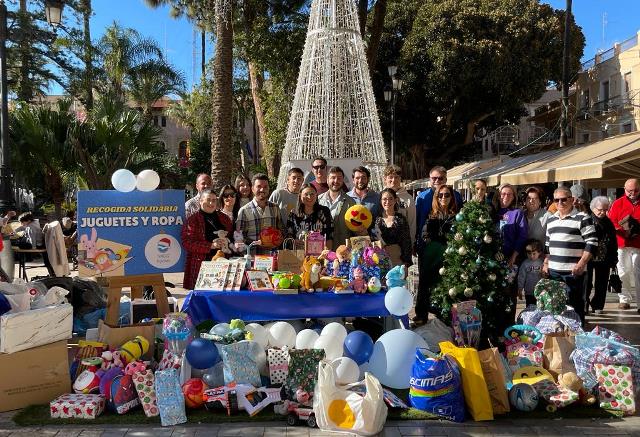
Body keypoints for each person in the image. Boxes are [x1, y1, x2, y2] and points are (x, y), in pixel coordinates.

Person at [543, 186, 598, 324]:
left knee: (575, 305)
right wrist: (545, 264)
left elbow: (592, 243)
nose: (560, 203)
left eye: (564, 199)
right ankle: (560, 336)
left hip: (573, 271)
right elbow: (548, 245)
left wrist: (581, 264)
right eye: (557, 200)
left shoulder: (583, 218)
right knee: (556, 306)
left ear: (572, 199)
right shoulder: (551, 220)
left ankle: (577, 335)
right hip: (554, 272)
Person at [415, 184, 458, 325]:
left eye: (447, 195)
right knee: (425, 285)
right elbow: (425, 234)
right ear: (436, 197)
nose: (443, 198)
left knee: (445, 287)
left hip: (448, 258)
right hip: (431, 257)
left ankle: (443, 316)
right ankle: (421, 315)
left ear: (451, 197)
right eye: (440, 195)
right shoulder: (431, 214)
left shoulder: (456, 216)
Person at [181, 189, 234, 290]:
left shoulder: (224, 218)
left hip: (223, 263)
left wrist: (229, 243)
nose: (211, 203)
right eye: (208, 200)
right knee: (201, 298)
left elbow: (231, 237)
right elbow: (187, 242)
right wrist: (211, 246)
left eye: (214, 200)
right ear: (200, 201)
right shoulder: (193, 220)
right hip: (201, 265)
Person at [492, 183, 528, 323]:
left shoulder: (517, 213)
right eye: (502, 194)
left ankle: (508, 326)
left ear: (513, 197)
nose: (505, 197)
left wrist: (514, 256)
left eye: (509, 194)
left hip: (510, 260)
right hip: (492, 260)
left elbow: (522, 236)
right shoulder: (493, 212)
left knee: (508, 294)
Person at [606, 178, 640, 310]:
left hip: (638, 243)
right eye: (630, 191)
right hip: (621, 243)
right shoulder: (618, 203)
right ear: (625, 190)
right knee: (623, 272)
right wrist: (622, 229)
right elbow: (611, 222)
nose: (633, 193)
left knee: (638, 273)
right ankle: (624, 299)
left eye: (636, 190)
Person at [415, 166, 463, 250]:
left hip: (450, 246)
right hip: (425, 244)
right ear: (429, 179)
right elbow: (416, 220)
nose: (437, 181)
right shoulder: (422, 198)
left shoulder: (456, 196)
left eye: (440, 178)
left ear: (445, 179)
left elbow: (460, 218)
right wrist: (415, 243)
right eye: (434, 178)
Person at [236, 173, 283, 253]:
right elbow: (239, 237)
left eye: (265, 187)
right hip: (253, 257)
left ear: (269, 188)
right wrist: (257, 242)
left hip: (272, 257)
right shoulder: (244, 210)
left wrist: (278, 239)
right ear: (252, 189)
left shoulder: (275, 208)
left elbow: (281, 229)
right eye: (259, 186)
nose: (262, 190)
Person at [586, 196, 618, 314]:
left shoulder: (609, 223)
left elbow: (613, 241)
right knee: (587, 282)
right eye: (600, 209)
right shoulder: (587, 220)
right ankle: (584, 305)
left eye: (605, 210)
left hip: (605, 257)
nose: (602, 212)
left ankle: (598, 305)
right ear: (593, 208)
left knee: (602, 283)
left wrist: (614, 258)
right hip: (588, 256)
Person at [318, 166, 356, 249]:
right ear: (327, 180)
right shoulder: (318, 200)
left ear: (342, 181)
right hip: (321, 251)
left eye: (339, 178)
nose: (336, 181)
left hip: (343, 251)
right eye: (333, 178)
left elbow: (355, 230)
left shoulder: (350, 202)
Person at [286, 184, 333, 249]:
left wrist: (326, 254)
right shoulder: (293, 213)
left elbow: (329, 235)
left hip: (319, 255)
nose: (309, 197)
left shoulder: (324, 212)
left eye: (312, 194)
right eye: (306, 194)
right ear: (300, 195)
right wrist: (294, 241)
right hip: (299, 254)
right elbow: (289, 234)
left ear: (316, 195)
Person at [374, 188, 412, 268]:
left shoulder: (401, 219)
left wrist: (406, 263)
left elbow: (406, 242)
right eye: (384, 199)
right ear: (380, 201)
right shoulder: (377, 220)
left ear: (395, 200)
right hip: (381, 261)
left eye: (391, 199)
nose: (387, 202)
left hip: (398, 260)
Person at [383, 165, 416, 247]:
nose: (393, 180)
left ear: (400, 179)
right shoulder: (380, 197)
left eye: (396, 177)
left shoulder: (408, 198)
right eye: (390, 177)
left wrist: (410, 244)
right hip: (383, 243)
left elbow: (412, 222)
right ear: (385, 179)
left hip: (402, 244)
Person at [517, 239, 544, 307]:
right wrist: (520, 289)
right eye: (529, 253)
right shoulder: (525, 264)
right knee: (530, 309)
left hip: (541, 293)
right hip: (529, 293)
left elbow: (546, 277)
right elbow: (521, 277)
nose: (531, 256)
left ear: (539, 252)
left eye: (534, 253)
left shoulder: (542, 263)